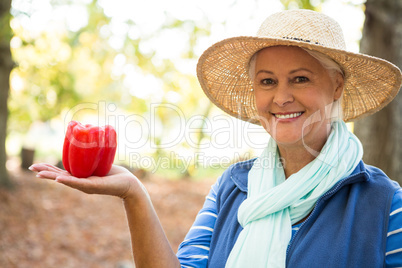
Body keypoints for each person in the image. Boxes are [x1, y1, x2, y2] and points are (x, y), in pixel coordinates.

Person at [29, 9, 402, 268]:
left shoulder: (386, 205)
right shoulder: (232, 188)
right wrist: (133, 193)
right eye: (267, 81)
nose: (281, 97)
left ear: (336, 86)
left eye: (300, 78)